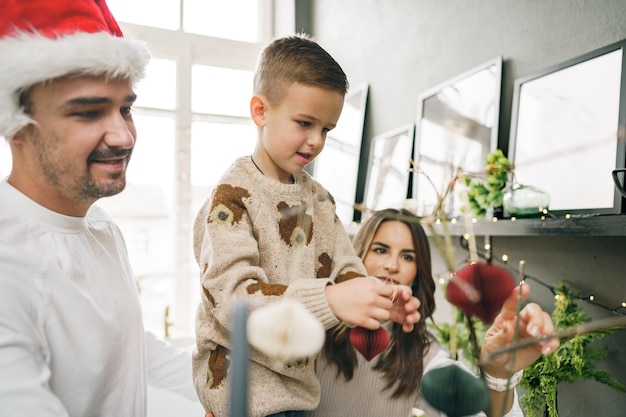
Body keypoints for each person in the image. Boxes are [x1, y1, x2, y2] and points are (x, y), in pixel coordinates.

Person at [192, 34, 421, 417]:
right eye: (304, 123)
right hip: (241, 397)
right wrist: (329, 300)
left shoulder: (320, 201)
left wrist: (378, 299)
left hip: (299, 397)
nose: (316, 141)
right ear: (261, 111)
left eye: (327, 129)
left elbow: (347, 271)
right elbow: (235, 300)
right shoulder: (231, 198)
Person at [0, 1, 199, 416]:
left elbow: (126, 346)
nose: (124, 135)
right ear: (16, 125)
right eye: (90, 112)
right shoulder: (7, 262)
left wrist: (233, 389)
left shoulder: (100, 224)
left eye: (125, 108)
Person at [307, 208, 560, 417]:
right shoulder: (312, 331)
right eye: (381, 250)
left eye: (407, 257)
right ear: (357, 255)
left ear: (417, 274)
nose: (392, 266)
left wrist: (498, 373)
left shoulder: (424, 355)